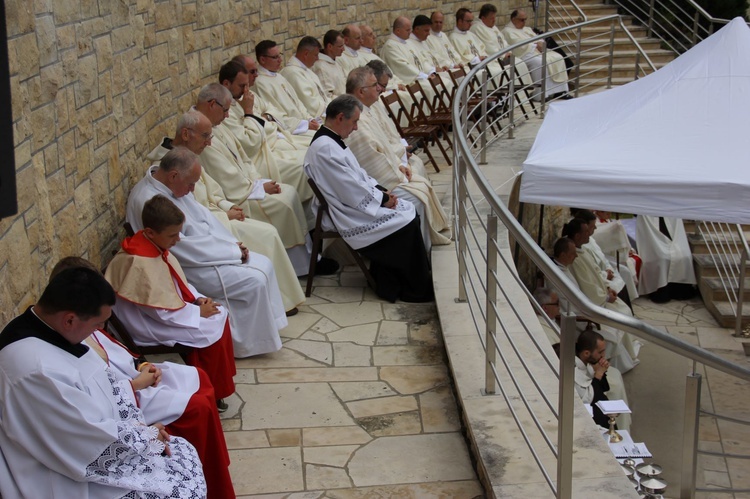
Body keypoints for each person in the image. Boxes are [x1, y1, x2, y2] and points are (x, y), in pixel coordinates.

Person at [0, 267, 206, 498]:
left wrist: (141, 431)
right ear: (69, 319)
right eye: (97, 324)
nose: (98, 331)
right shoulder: (35, 370)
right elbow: (78, 441)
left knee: (182, 457)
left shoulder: (50, 329)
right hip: (61, 475)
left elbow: (100, 388)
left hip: (93, 446)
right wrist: (144, 439)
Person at [51, 256, 235, 499]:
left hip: (132, 384)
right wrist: (135, 385)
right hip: (127, 398)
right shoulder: (64, 337)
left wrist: (143, 365)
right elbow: (92, 405)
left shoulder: (79, 323)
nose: (99, 328)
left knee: (197, 376)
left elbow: (116, 351)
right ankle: (214, 482)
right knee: (197, 408)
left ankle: (215, 471)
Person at [126, 146, 287, 358]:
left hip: (211, 252)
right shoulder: (147, 199)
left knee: (264, 263)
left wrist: (232, 244)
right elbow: (180, 247)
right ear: (174, 175)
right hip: (186, 266)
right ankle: (247, 345)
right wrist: (230, 252)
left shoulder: (173, 186)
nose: (193, 189)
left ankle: (266, 332)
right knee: (254, 280)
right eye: (191, 183)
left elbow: (204, 217)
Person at [146, 110, 306, 311]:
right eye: (205, 136)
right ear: (186, 134)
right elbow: (188, 218)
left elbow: (208, 192)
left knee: (267, 233)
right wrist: (224, 216)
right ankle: (279, 302)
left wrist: (226, 205)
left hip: (214, 218)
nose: (209, 142)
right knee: (267, 234)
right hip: (210, 229)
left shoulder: (187, 158)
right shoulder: (169, 169)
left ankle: (278, 300)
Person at [106, 194, 237, 406]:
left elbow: (173, 284)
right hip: (145, 323)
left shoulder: (152, 244)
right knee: (208, 329)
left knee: (219, 314)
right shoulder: (139, 262)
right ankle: (212, 390)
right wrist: (196, 313)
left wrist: (198, 300)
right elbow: (157, 309)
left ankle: (219, 385)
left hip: (166, 314)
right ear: (150, 232)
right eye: (173, 235)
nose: (178, 240)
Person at [304, 95, 434, 303]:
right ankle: (409, 287)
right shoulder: (325, 148)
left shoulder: (331, 140)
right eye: (354, 122)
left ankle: (393, 278)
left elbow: (358, 176)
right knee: (406, 221)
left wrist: (382, 191)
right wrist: (383, 200)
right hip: (347, 212)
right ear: (340, 117)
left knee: (408, 210)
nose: (355, 128)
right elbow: (349, 188)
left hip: (351, 203)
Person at [194, 83, 326, 277]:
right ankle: (300, 267)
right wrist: (257, 188)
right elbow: (224, 174)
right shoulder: (200, 131)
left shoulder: (213, 124)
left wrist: (258, 180)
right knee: (282, 204)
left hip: (246, 185)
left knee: (288, 192)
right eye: (225, 110)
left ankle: (310, 256)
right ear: (212, 104)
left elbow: (241, 156)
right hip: (237, 196)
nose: (228, 116)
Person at [345, 66, 451, 251]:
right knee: (416, 198)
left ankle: (423, 246)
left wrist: (399, 163)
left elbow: (383, 143)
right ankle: (420, 251)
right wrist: (398, 171)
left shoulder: (365, 109)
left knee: (419, 180)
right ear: (361, 91)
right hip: (375, 185)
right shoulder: (355, 117)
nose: (379, 88)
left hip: (388, 172)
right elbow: (369, 157)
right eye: (375, 85)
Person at [219, 60, 314, 204]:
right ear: (226, 84)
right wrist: (249, 112)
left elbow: (271, 110)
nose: (247, 89)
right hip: (258, 157)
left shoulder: (246, 96)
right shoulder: (225, 111)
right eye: (242, 85)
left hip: (271, 143)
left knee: (312, 156)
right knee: (303, 167)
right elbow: (249, 144)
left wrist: (265, 118)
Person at [253, 40, 321, 136]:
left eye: (279, 55)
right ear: (263, 59)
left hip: (303, 124)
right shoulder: (260, 83)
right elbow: (275, 115)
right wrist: (304, 124)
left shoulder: (279, 76)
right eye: (275, 57)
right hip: (291, 130)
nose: (280, 60)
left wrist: (310, 118)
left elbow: (298, 103)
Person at [501, 9, 570, 100]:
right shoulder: (507, 31)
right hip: (524, 54)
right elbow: (517, 45)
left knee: (559, 58)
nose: (524, 22)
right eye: (522, 20)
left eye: (525, 19)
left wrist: (540, 42)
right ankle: (540, 95)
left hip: (535, 51)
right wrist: (535, 45)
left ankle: (560, 91)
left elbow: (537, 37)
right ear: (513, 19)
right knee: (540, 63)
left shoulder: (526, 29)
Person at [635, 215, 697, 302]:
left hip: (673, 242)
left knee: (685, 256)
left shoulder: (672, 212)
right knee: (662, 258)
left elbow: (677, 232)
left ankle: (680, 291)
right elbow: (648, 234)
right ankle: (661, 292)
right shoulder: (645, 215)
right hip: (655, 244)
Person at [380, 16, 439, 107]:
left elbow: (421, 60)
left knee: (439, 82)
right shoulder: (390, 46)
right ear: (398, 31)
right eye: (408, 30)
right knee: (429, 87)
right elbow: (403, 66)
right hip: (408, 81)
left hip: (419, 78)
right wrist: (424, 76)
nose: (410, 32)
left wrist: (430, 72)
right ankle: (429, 117)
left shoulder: (408, 42)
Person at [280, 37, 329, 120]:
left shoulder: (307, 70)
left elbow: (323, 96)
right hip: (312, 119)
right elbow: (310, 104)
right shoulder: (292, 73)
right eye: (315, 55)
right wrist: (332, 110)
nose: (317, 59)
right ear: (306, 54)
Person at [575, 329, 616, 429]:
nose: (603, 356)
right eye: (600, 352)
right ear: (586, 353)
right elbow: (586, 400)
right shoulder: (573, 368)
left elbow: (602, 389)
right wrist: (599, 373)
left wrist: (601, 372)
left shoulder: (587, 362)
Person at [313, 30, 348, 98]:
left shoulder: (336, 62)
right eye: (340, 46)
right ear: (330, 46)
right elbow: (328, 95)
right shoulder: (320, 67)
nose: (343, 49)